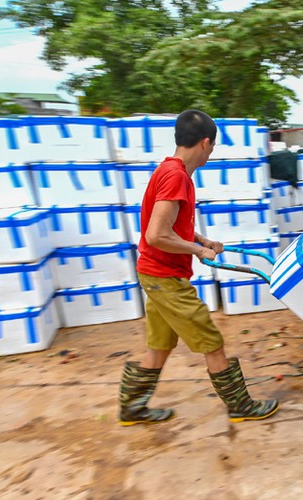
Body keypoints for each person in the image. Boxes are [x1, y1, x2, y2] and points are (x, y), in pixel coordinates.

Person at [118, 109, 279, 425]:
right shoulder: (176, 176)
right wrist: (196, 251)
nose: (212, 151)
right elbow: (157, 235)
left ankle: (132, 408)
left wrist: (203, 241)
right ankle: (240, 406)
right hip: (164, 276)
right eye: (214, 146)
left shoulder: (171, 171)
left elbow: (171, 225)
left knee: (160, 346)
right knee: (211, 342)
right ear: (206, 143)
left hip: (155, 274)